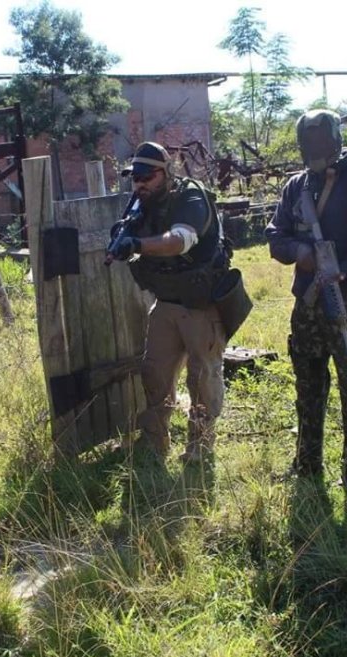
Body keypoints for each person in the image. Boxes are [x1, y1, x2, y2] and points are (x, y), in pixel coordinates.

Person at [265, 110, 347, 487]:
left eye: (320, 142)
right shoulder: (296, 186)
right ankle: (307, 464)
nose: (315, 150)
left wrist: (342, 269)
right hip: (307, 304)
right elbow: (276, 235)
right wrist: (300, 253)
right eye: (308, 144)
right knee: (308, 385)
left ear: (336, 140)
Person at [108, 141, 231, 464]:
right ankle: (154, 443)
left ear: (166, 173)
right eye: (135, 178)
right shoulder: (142, 206)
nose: (140, 184)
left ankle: (200, 447)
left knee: (202, 377)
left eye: (147, 177)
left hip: (200, 303)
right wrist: (123, 238)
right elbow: (132, 238)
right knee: (155, 374)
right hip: (165, 301)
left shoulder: (190, 198)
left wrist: (137, 245)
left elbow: (180, 241)